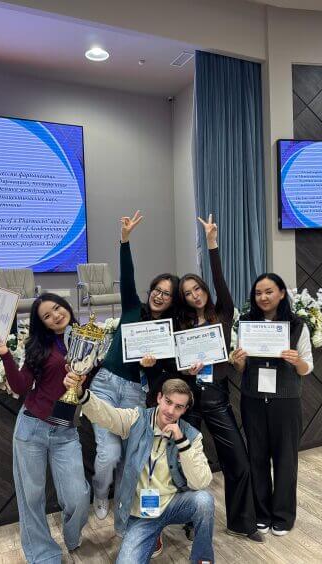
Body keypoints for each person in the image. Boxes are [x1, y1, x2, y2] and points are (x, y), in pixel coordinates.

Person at [90, 209, 179, 547]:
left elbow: (163, 373)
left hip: (134, 393)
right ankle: (101, 493)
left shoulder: (167, 331)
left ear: (172, 301)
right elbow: (127, 275)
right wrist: (125, 240)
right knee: (108, 455)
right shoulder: (131, 307)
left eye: (166, 293)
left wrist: (152, 365)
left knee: (129, 460)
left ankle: (123, 517)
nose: (159, 295)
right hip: (105, 384)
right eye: (157, 289)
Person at [0, 293, 90, 564]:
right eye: (47, 316)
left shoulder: (88, 341)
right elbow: (20, 386)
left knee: (78, 496)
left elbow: (90, 387)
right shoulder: (39, 347)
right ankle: (43, 555)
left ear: (66, 307)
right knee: (31, 498)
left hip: (66, 431)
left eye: (57, 308)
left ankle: (72, 535)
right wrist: (5, 355)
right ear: (42, 323)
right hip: (32, 427)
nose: (55, 316)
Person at [64, 374, 215, 564]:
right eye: (168, 402)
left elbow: (201, 482)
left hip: (172, 504)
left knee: (204, 500)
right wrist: (81, 394)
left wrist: (181, 442)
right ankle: (153, 534)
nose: (170, 411)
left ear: (185, 409)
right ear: (159, 397)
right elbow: (106, 415)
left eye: (178, 407)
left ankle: (202, 560)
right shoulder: (137, 418)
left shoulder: (191, 435)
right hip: (143, 514)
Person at [177, 214, 263, 543]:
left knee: (237, 460)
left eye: (198, 289)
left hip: (216, 397)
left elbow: (220, 279)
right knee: (187, 463)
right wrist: (185, 370)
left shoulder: (222, 312)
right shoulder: (180, 325)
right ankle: (190, 520)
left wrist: (212, 243)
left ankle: (242, 522)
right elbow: (175, 363)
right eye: (188, 293)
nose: (195, 295)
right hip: (188, 401)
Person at [231, 273, 313, 536]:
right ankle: (262, 513)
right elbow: (242, 368)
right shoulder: (247, 323)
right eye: (258, 293)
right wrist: (238, 362)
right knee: (256, 457)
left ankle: (283, 516)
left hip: (286, 402)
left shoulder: (297, 325)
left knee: (286, 459)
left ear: (281, 293)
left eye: (269, 291)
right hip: (253, 400)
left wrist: (296, 361)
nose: (263, 297)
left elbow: (307, 367)